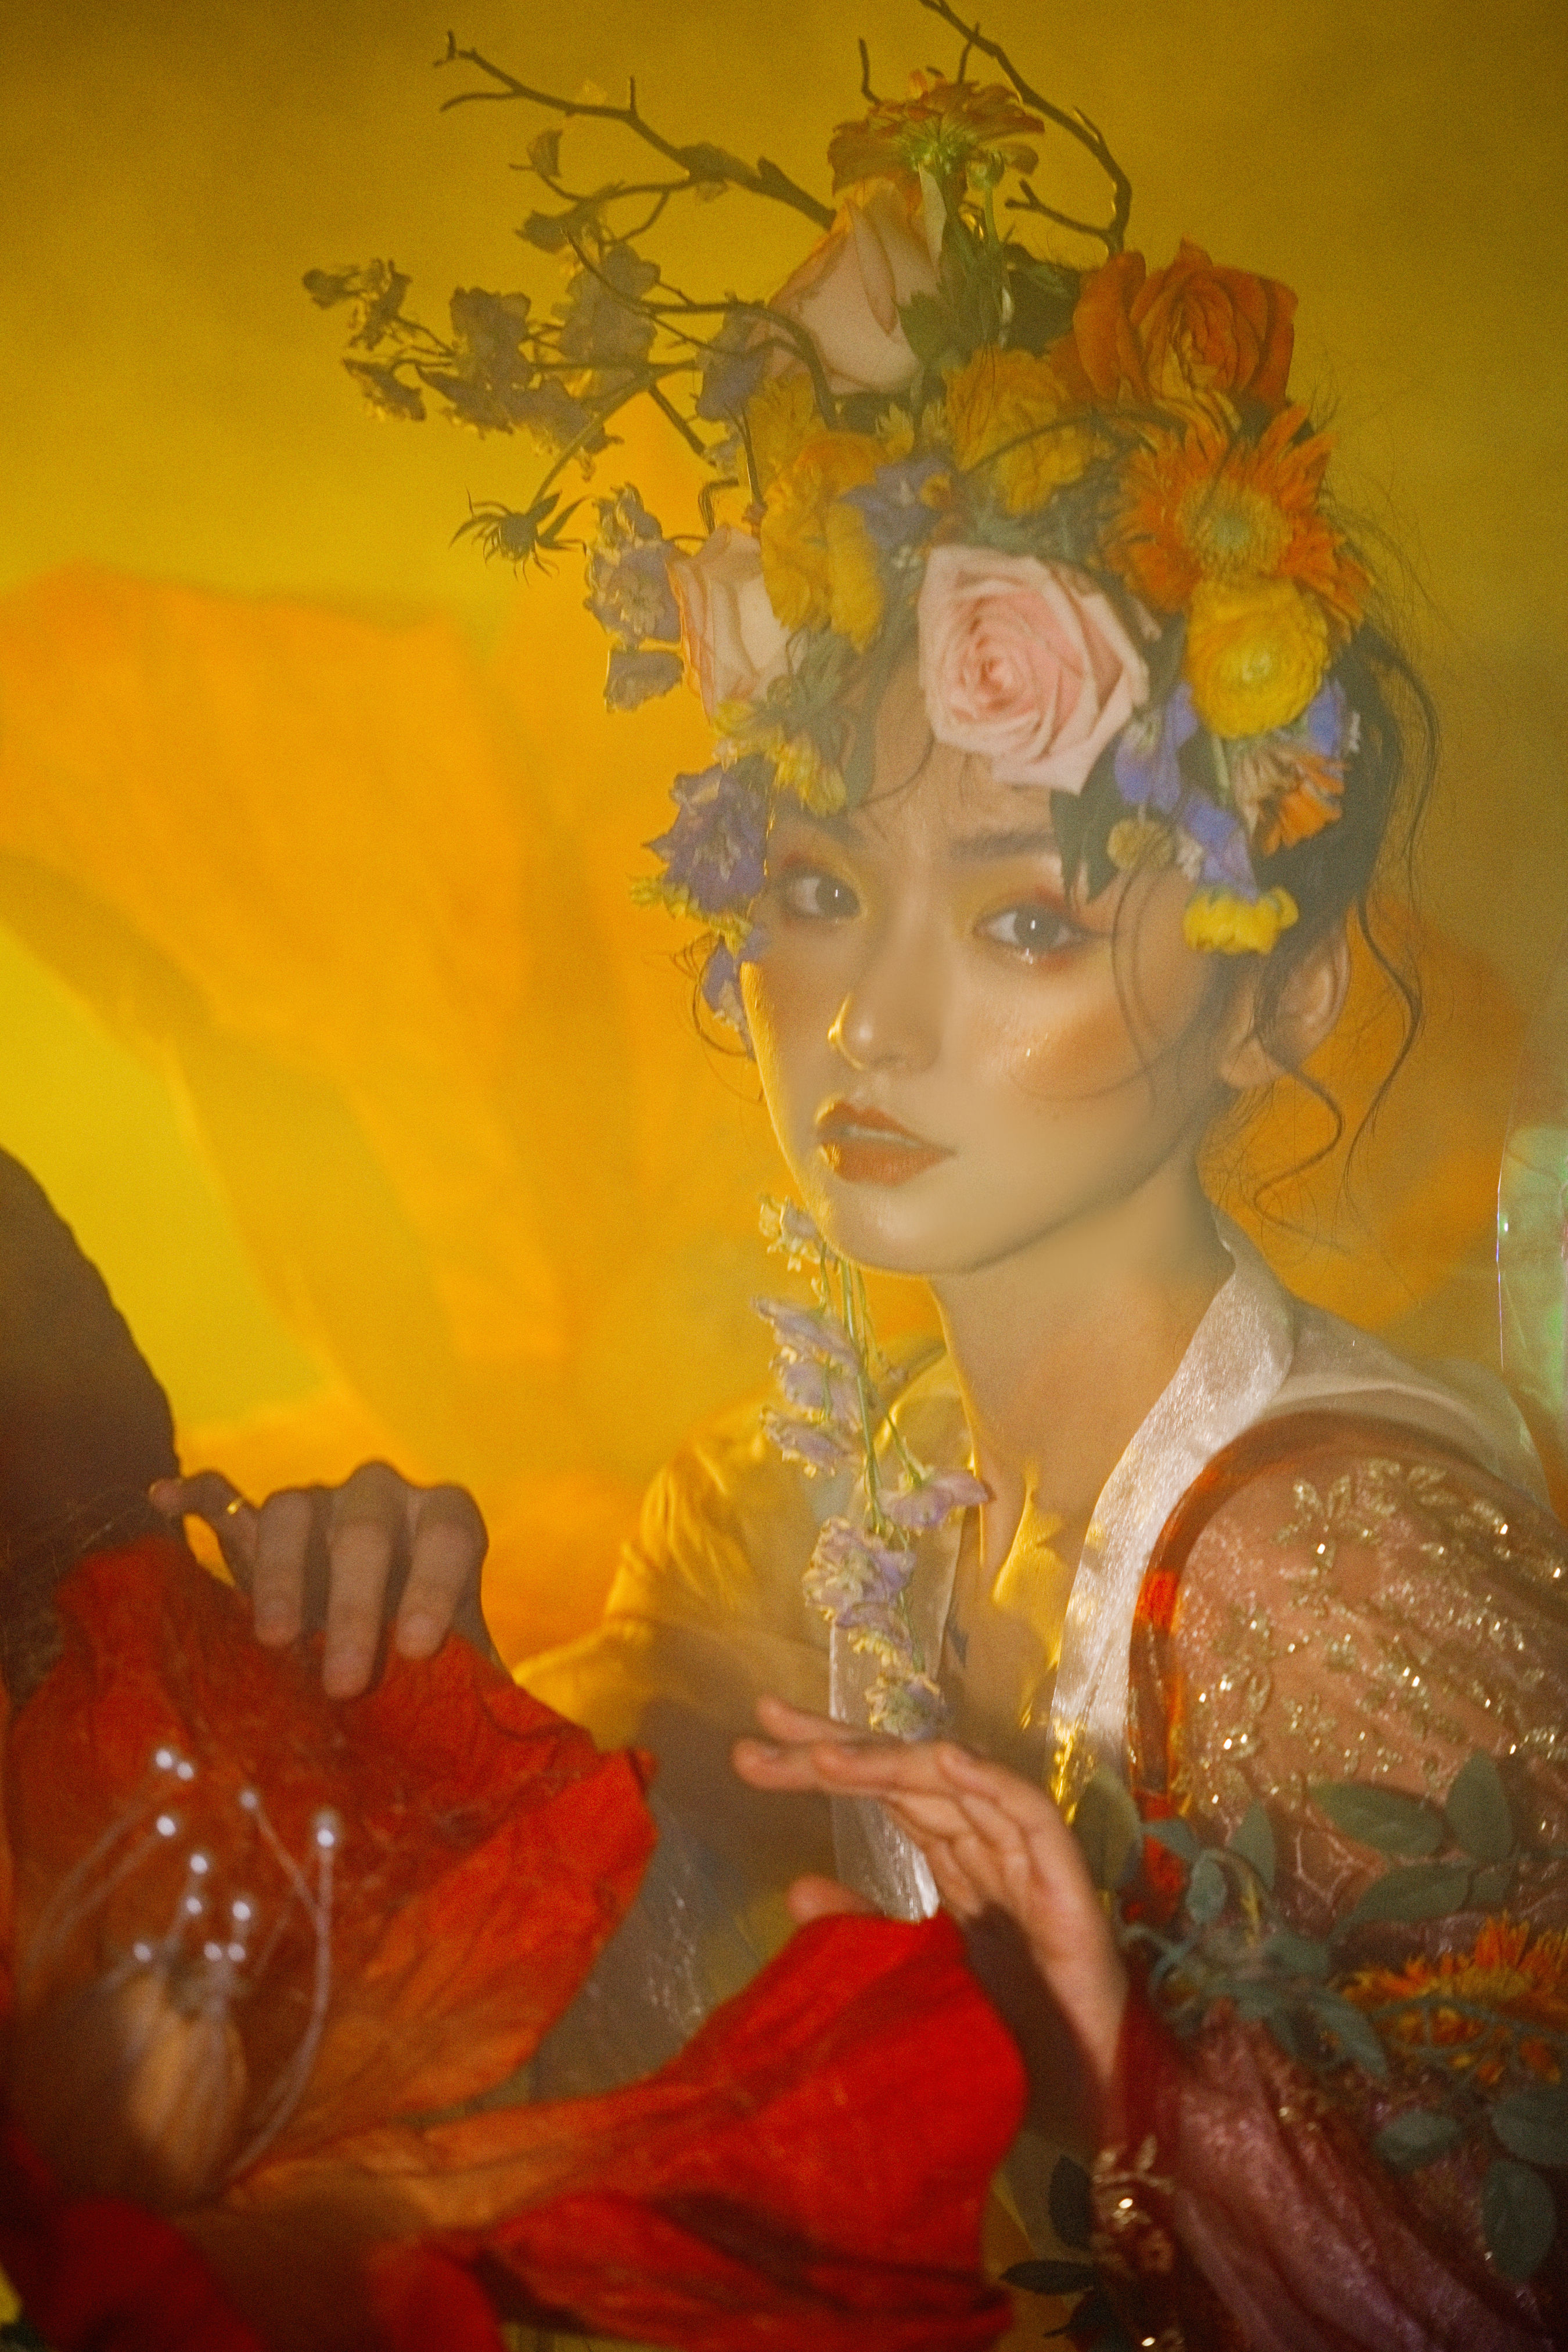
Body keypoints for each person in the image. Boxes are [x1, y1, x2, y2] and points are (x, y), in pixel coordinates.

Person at [161, 28, 1568, 2349]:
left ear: (1283, 997)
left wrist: (1123, 2079)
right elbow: (608, 2121)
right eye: (816, 887)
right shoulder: (821, 1513)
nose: (872, 1020)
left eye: (1023, 917)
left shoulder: (1339, 1573)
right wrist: (389, 1704)